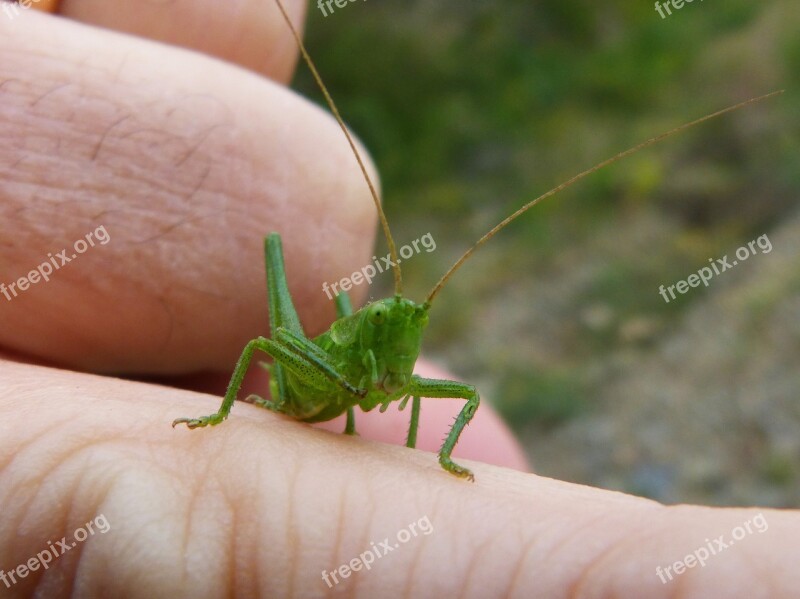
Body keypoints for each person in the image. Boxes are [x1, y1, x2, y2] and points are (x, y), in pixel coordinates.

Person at [0, 1, 796, 596]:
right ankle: (226, 407)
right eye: (400, 320)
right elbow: (269, 346)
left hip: (346, 391)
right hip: (305, 380)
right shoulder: (340, 339)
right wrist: (229, 413)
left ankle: (422, 448)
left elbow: (427, 394)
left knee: (464, 400)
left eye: (412, 327)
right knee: (283, 271)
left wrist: (434, 455)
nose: (407, 336)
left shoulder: (403, 355)